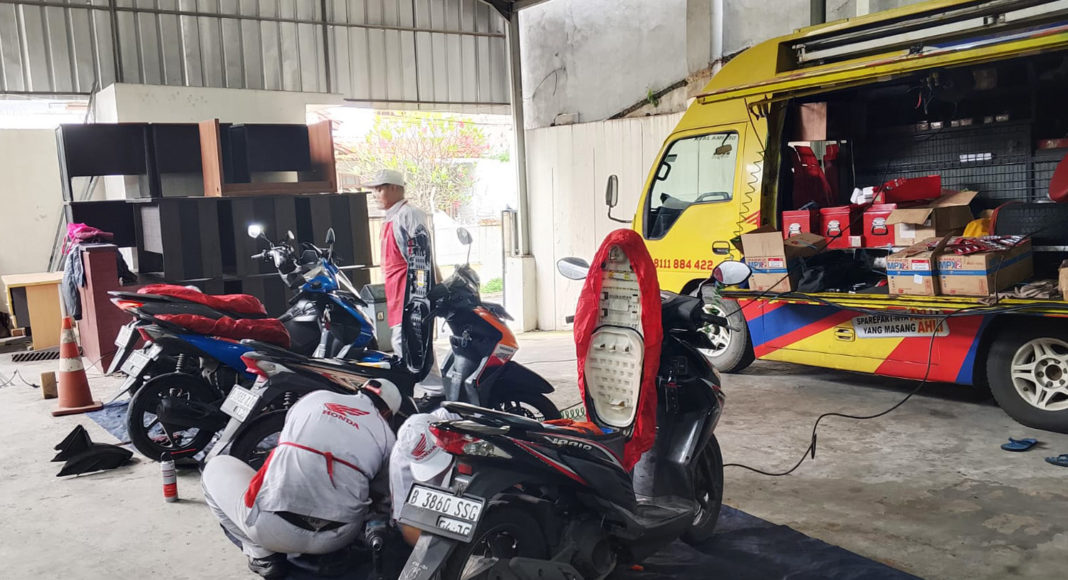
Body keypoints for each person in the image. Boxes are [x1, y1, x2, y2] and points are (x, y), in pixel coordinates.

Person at [202, 379, 403, 579]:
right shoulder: (387, 436)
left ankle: (263, 556)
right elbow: (381, 497)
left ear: (360, 390)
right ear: (387, 413)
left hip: (271, 529)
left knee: (215, 466)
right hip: (338, 537)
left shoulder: (315, 398)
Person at [364, 168, 444, 408]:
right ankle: (422, 390)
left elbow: (422, 257)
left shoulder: (409, 215)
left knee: (411, 344)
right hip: (397, 291)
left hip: (410, 292)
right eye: (374, 190)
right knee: (405, 344)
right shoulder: (390, 218)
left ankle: (435, 392)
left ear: (395, 188)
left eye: (379, 189)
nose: (375, 194)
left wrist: (427, 291)